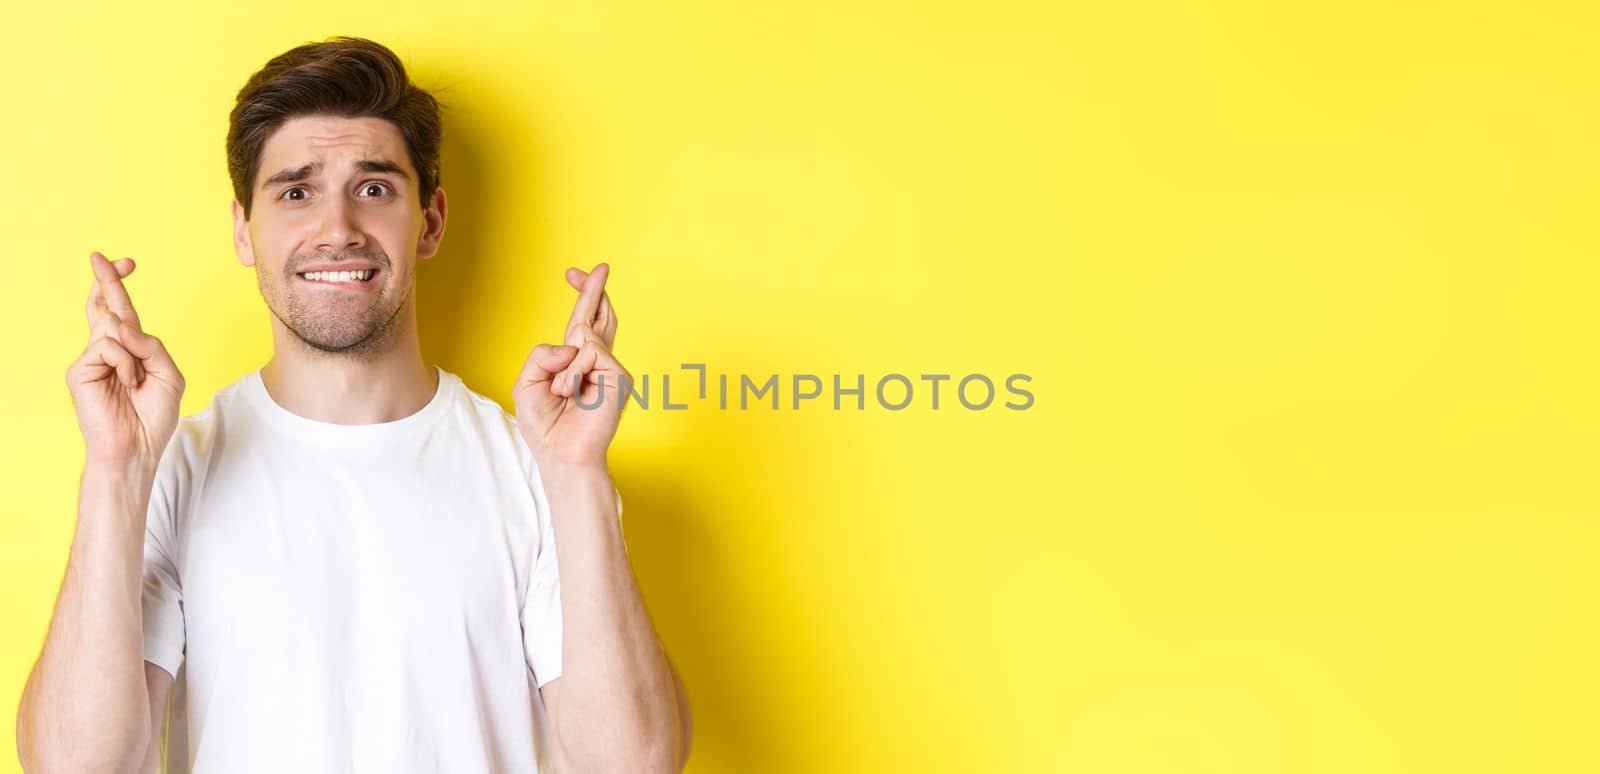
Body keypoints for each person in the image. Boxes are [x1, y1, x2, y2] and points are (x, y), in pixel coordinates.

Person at [15, 36, 690, 774]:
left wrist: (579, 476)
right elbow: (76, 768)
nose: (336, 229)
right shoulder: (168, 471)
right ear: (244, 229)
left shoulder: (540, 469)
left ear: (428, 223)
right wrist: (116, 471)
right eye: (296, 192)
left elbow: (635, 765)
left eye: (373, 189)